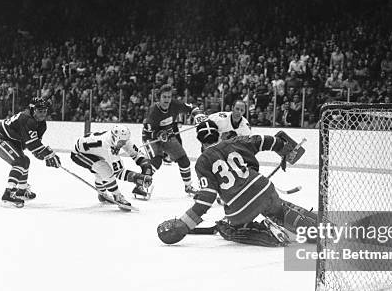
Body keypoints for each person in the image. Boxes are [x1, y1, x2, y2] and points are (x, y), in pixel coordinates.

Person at [156, 120, 316, 247]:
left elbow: (207, 198)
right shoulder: (233, 142)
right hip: (264, 188)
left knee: (227, 227)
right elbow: (261, 141)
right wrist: (283, 147)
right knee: (277, 209)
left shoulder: (202, 162)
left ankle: (269, 235)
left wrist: (185, 224)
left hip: (240, 207)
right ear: (218, 135)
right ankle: (315, 227)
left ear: (200, 142)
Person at [0, 97, 61, 207]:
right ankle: (8, 193)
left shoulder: (42, 125)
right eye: (39, 111)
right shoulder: (26, 118)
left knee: (25, 161)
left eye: (44, 111)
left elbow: (35, 146)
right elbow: (32, 144)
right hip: (0, 138)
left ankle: (21, 191)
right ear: (32, 110)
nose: (42, 114)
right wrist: (49, 154)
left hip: (13, 141)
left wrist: (44, 156)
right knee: (20, 161)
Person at [142, 84, 203, 194]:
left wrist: (198, 115)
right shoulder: (153, 111)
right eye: (164, 97)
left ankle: (188, 187)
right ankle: (141, 184)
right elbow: (149, 130)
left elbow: (192, 108)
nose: (167, 100)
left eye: (169, 97)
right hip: (151, 138)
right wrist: (159, 134)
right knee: (156, 161)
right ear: (159, 98)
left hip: (168, 135)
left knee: (184, 160)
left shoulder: (175, 104)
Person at [71, 125, 153, 206]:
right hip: (79, 154)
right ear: (115, 138)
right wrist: (138, 177)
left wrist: (145, 164)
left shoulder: (120, 138)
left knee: (101, 175)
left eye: (125, 141)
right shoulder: (107, 146)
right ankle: (117, 196)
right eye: (122, 142)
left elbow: (136, 153)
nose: (124, 143)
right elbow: (119, 173)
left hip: (92, 150)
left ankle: (102, 195)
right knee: (106, 172)